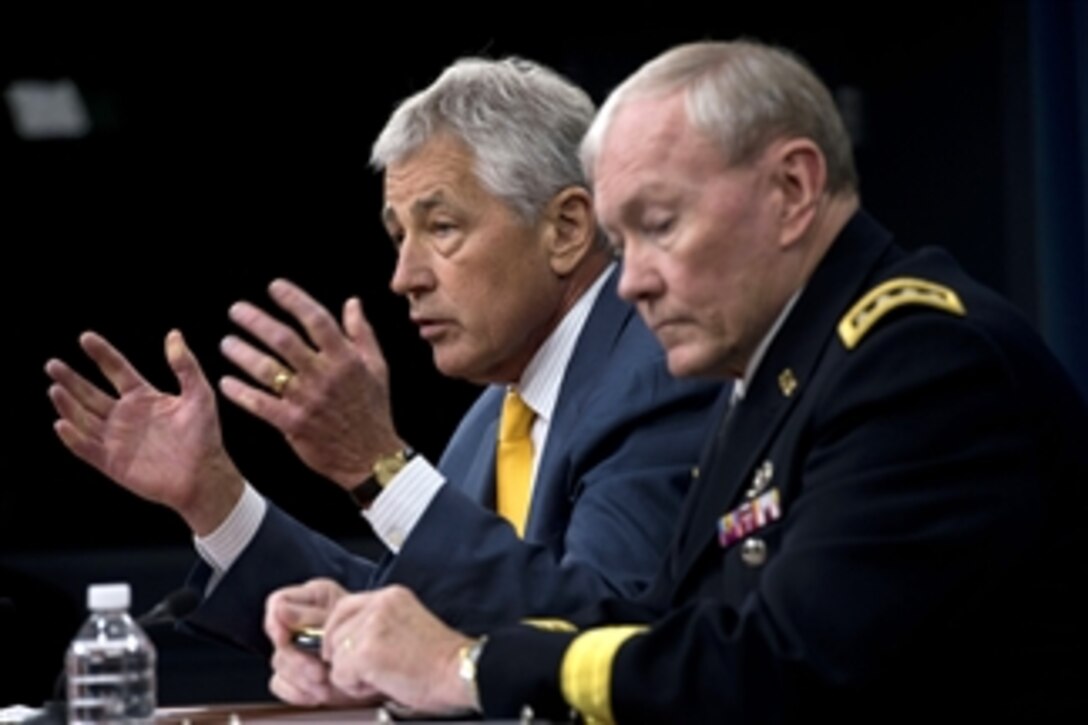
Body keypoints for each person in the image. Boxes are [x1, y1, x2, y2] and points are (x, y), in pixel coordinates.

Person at [271, 40, 1088, 722]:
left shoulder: (918, 363)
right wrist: (379, 643)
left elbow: (781, 667)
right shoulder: (773, 376)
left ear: (793, 189)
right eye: (623, 238)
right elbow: (650, 627)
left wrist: (466, 666)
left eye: (659, 225)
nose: (630, 281)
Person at [43, 57, 724, 658]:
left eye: (443, 227)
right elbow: (420, 615)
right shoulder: (496, 413)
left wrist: (378, 466)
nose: (404, 276)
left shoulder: (661, 375)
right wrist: (216, 497)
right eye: (398, 236)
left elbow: (600, 635)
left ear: (567, 229)